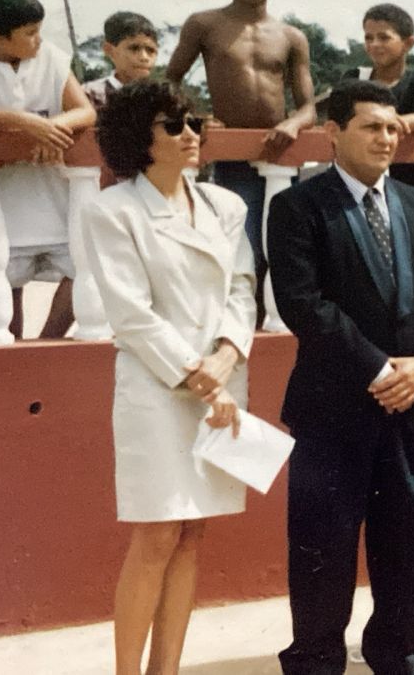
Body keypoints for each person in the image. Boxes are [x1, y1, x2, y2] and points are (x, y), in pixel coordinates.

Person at [268, 79, 414, 675]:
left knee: (405, 549)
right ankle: (318, 661)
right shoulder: (299, 206)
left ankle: (400, 656)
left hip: (411, 413)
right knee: (323, 553)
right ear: (334, 133)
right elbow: (304, 305)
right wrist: (381, 368)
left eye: (392, 127)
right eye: (372, 127)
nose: (387, 138)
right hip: (333, 413)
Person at [81, 80, 254, 675]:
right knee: (156, 536)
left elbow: (242, 290)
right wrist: (199, 376)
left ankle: (167, 670)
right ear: (139, 140)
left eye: (193, 123)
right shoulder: (110, 210)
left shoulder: (226, 206)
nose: (189, 135)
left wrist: (226, 360)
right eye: (172, 125)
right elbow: (130, 315)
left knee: (191, 535)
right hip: (157, 391)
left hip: (222, 385)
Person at [164, 0, 314, 302]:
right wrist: (198, 118)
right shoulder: (205, 24)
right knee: (241, 244)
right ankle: (235, 327)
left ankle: (269, 327)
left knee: (280, 245)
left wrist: (292, 124)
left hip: (279, 155)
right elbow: (170, 81)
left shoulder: (291, 36)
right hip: (232, 157)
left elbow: (308, 106)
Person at [0, 0, 96, 340]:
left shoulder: (51, 58)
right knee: (1, 285)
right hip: (1, 201)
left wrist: (52, 126)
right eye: (28, 33)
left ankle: (48, 342)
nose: (38, 40)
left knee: (85, 266)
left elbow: (84, 111)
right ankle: (11, 358)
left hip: (52, 193)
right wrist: (21, 121)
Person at [347, 4, 414, 193]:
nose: (374, 44)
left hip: (409, 183)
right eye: (369, 38)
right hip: (360, 181)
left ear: (408, 43)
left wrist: (388, 121)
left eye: (384, 37)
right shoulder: (355, 78)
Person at [84, 11, 160, 111]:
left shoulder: (160, 97)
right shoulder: (91, 95)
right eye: (134, 48)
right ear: (109, 50)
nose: (144, 57)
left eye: (151, 50)